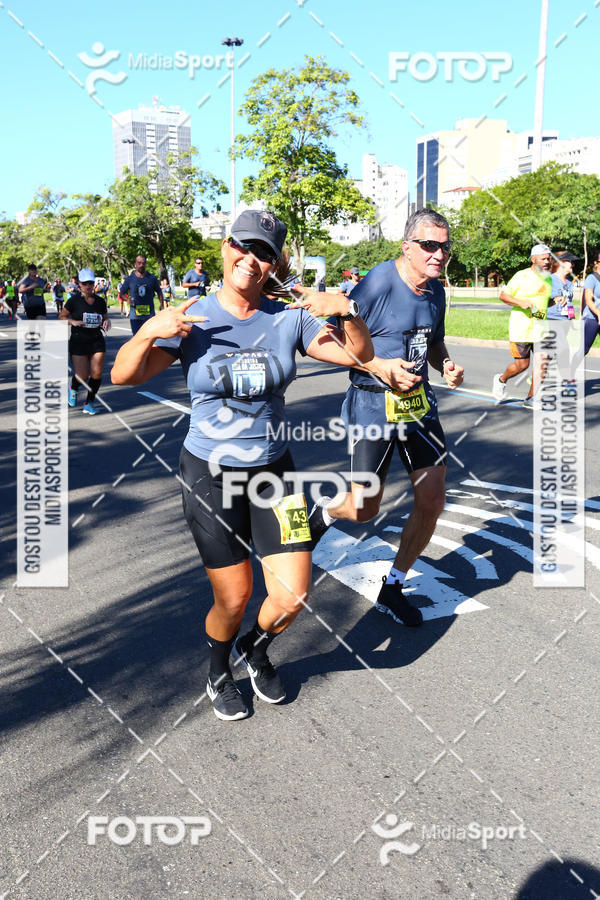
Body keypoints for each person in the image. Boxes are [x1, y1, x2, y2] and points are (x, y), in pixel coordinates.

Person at [111, 209, 373, 721]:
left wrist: (346, 310)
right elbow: (123, 376)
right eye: (243, 247)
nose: (251, 261)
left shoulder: (288, 317)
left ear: (276, 264)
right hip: (210, 473)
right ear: (225, 247)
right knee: (234, 596)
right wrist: (148, 332)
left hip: (275, 472)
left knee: (293, 593)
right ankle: (217, 672)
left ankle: (255, 650)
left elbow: (358, 356)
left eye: (264, 254)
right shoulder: (193, 317)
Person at [308, 209, 464, 628]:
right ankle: (319, 514)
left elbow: (435, 341)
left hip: (418, 404)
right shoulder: (377, 282)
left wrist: (446, 363)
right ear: (407, 246)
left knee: (432, 499)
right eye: (429, 245)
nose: (439, 254)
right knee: (363, 507)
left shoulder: (435, 291)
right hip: (373, 402)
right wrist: (379, 365)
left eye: (445, 246)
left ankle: (392, 587)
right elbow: (328, 338)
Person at [491, 244, 552, 409]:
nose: (547, 261)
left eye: (549, 258)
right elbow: (503, 295)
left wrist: (557, 301)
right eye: (544, 258)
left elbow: (545, 300)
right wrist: (521, 302)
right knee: (522, 365)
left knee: (543, 362)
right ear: (533, 259)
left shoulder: (548, 278)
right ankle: (501, 379)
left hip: (541, 329)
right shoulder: (521, 276)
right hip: (521, 329)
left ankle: (531, 398)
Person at [60, 267, 110, 415]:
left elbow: (106, 317)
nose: (88, 286)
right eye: (84, 283)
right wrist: (72, 322)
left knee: (97, 373)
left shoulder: (100, 302)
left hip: (96, 340)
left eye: (90, 283)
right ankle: (73, 387)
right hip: (78, 341)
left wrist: (107, 322)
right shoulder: (73, 301)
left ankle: (89, 403)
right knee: (82, 375)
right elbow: (61, 317)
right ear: (79, 285)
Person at [119, 255, 163, 335]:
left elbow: (159, 292)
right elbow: (121, 294)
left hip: (149, 315)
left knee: (150, 338)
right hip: (135, 316)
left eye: (143, 263)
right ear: (135, 264)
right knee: (137, 338)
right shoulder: (129, 279)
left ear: (145, 264)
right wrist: (127, 299)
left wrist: (161, 304)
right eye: (139, 263)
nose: (141, 265)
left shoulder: (152, 278)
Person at [546, 252, 578, 322]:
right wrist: (555, 299)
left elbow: (569, 302)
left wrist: (571, 317)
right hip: (551, 319)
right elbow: (539, 300)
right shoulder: (549, 280)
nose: (573, 264)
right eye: (570, 261)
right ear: (561, 262)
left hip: (565, 320)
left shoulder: (570, 282)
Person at [582, 249, 600, 356]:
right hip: (591, 318)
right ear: (596, 263)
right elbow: (588, 300)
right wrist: (598, 313)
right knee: (583, 350)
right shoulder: (591, 278)